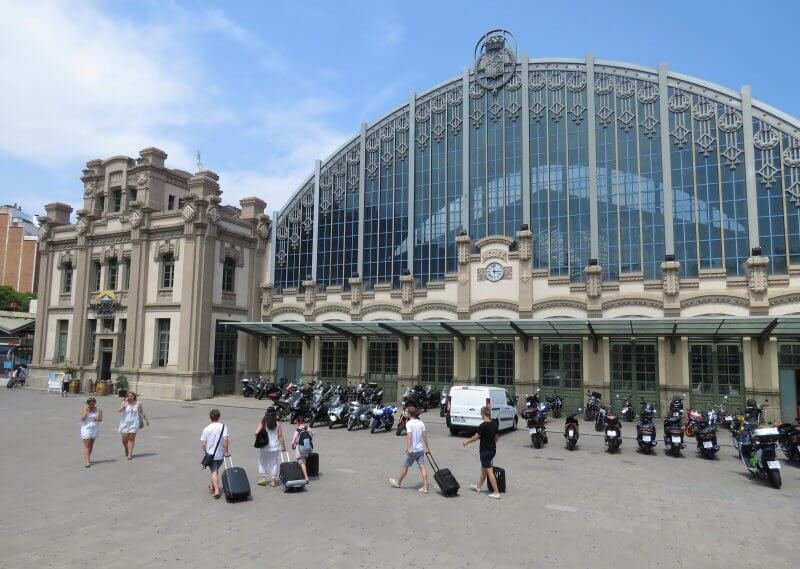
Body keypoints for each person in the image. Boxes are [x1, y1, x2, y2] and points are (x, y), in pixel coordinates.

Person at [389, 406, 430, 493]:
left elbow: (409, 437)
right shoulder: (421, 423)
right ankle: (425, 487)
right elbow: (424, 436)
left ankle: (398, 482)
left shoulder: (408, 424)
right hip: (420, 450)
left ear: (409, 414)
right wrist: (427, 448)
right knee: (422, 467)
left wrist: (409, 449)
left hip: (413, 450)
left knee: (405, 466)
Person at [462, 405, 500, 499]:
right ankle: (478, 487)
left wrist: (466, 442)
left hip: (485, 452)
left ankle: (496, 492)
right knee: (484, 470)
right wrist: (492, 443)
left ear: (483, 414)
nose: (480, 415)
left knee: (489, 471)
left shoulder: (482, 426)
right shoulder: (494, 424)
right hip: (492, 450)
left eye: (481, 413)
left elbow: (475, 437)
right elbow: (496, 437)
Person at [200, 408, 229, 499]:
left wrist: (206, 451)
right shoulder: (223, 427)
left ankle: (216, 490)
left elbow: (203, 443)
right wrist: (226, 451)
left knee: (214, 471)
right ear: (219, 417)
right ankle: (212, 486)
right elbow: (225, 439)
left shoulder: (206, 429)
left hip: (211, 454)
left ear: (210, 417)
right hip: (220, 454)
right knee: (215, 471)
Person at [255, 407, 285, 487]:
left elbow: (256, 432)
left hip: (265, 445)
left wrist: (260, 436)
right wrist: (284, 447)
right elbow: (280, 436)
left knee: (262, 461)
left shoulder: (264, 422)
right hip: (275, 446)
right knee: (274, 463)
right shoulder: (278, 423)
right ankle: (273, 481)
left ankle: (263, 478)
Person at [118, 392, 148, 460]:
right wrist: (124, 403)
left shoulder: (138, 403)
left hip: (134, 423)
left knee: (131, 438)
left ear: (134, 397)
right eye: (128, 396)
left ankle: (130, 454)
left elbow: (141, 412)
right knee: (124, 439)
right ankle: (126, 448)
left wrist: (146, 419)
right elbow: (119, 410)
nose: (130, 397)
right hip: (124, 423)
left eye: (131, 396)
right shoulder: (124, 403)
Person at [290, 415, 314, 483]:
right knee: (304, 461)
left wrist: (293, 446)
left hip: (300, 448)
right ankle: (303, 474)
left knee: (301, 462)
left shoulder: (297, 430)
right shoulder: (307, 428)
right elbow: (313, 434)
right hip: (307, 447)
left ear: (298, 422)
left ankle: (306, 477)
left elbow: (293, 439)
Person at [80, 397, 103, 467]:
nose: (91, 405)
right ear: (88, 404)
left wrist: (97, 419)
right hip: (86, 428)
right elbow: (82, 419)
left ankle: (88, 457)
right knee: (87, 445)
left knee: (91, 444)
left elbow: (100, 419)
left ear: (95, 403)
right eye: (90, 404)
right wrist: (86, 413)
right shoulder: (85, 409)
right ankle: (87, 462)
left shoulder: (99, 409)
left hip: (94, 428)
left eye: (93, 403)